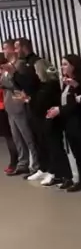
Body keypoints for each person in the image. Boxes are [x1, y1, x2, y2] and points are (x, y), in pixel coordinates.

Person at [46, 54, 81, 192]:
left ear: (74, 65)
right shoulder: (65, 81)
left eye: (65, 64)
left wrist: (60, 110)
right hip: (67, 122)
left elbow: (78, 102)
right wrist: (57, 109)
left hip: (79, 121)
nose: (62, 67)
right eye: (62, 64)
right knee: (77, 153)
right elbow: (65, 100)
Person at [22, 59, 69, 186]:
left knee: (55, 148)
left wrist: (29, 100)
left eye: (36, 71)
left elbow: (41, 103)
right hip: (43, 119)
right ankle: (50, 171)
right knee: (45, 146)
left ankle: (59, 174)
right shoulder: (43, 85)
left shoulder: (50, 85)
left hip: (51, 119)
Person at [0, 38, 39, 177]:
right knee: (17, 138)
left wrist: (7, 78)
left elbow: (17, 84)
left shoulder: (19, 64)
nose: (4, 51)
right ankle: (23, 162)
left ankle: (35, 164)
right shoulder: (7, 66)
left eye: (6, 48)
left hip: (19, 105)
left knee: (28, 136)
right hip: (9, 106)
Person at [0, 52, 18, 174]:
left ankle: (14, 161)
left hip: (5, 106)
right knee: (9, 136)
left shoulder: (5, 74)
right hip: (3, 106)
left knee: (10, 136)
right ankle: (15, 161)